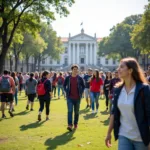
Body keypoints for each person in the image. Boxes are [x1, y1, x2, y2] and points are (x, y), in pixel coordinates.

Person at [105, 57, 150, 150]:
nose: (118, 69)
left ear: (130, 70)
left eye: (121, 67)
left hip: (141, 137)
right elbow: (114, 113)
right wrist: (109, 133)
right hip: (123, 135)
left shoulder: (144, 89)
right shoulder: (117, 89)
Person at [63, 64, 85, 131]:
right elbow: (64, 85)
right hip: (70, 97)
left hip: (77, 97)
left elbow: (83, 86)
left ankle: (75, 123)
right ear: (71, 70)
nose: (75, 71)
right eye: (74, 69)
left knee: (77, 112)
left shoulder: (80, 78)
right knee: (70, 111)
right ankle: (69, 125)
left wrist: (81, 92)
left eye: (76, 69)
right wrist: (66, 91)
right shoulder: (68, 78)